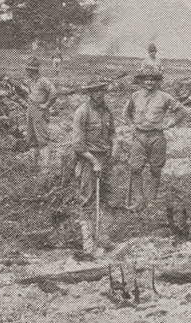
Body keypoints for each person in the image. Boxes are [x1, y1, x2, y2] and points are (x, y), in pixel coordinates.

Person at [124, 66, 184, 212]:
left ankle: (151, 201)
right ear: (141, 81)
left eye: (152, 79)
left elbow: (181, 111)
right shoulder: (135, 96)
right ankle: (139, 200)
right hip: (139, 136)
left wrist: (170, 123)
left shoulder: (164, 97)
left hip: (157, 137)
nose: (149, 82)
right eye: (146, 79)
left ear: (157, 81)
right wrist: (132, 124)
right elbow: (126, 113)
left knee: (155, 170)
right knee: (135, 168)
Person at [71, 80, 116, 250]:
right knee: (87, 199)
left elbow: (113, 133)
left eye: (102, 90)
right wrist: (94, 161)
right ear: (89, 93)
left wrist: (115, 146)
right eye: (95, 91)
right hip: (88, 160)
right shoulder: (82, 112)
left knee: (107, 198)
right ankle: (88, 242)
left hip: (105, 159)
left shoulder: (107, 111)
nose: (99, 94)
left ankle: (103, 236)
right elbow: (78, 145)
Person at [22, 56, 57, 169]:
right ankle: (34, 165)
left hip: (39, 111)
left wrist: (46, 105)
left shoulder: (43, 81)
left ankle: (46, 167)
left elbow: (54, 92)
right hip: (31, 110)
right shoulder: (32, 82)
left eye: (27, 69)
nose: (26, 72)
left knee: (43, 139)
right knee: (31, 138)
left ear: (32, 70)